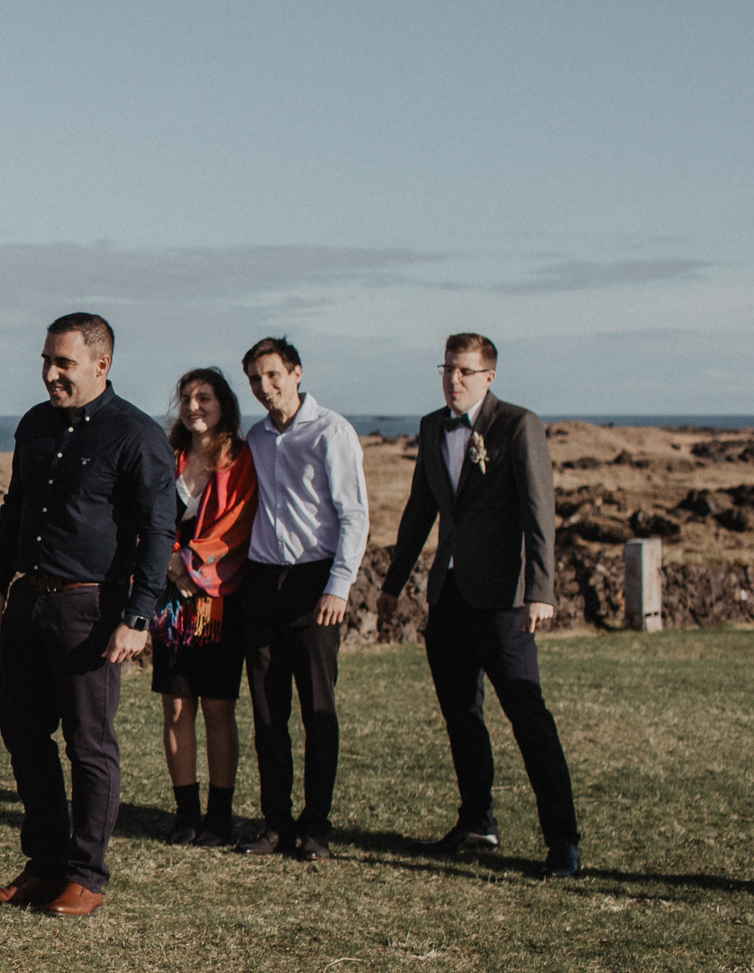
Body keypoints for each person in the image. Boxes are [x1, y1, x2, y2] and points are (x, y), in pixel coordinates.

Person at [0, 313, 175, 917]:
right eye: (45, 360)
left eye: (63, 363)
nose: (50, 373)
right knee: (24, 735)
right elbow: (15, 506)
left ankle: (86, 874)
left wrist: (138, 617)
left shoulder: (138, 436)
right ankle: (45, 865)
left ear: (101, 364)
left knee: (90, 746)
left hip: (93, 608)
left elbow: (160, 531)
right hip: (29, 601)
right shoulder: (34, 424)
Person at [378, 333, 582, 878]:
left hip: (503, 601)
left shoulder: (518, 425)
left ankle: (562, 842)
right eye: (447, 369)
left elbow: (540, 514)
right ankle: (476, 821)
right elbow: (420, 511)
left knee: (528, 716)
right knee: (461, 715)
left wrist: (540, 590)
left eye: (466, 371)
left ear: (489, 377)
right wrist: (393, 584)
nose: (454, 379)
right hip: (447, 598)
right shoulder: (430, 426)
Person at [233, 337, 368, 862]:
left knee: (317, 710)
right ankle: (275, 825)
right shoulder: (256, 438)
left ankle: (316, 829)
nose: (264, 388)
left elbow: (354, 513)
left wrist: (339, 584)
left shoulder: (331, 430)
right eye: (254, 380)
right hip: (262, 583)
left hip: (315, 584)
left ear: (296, 373)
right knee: (268, 713)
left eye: (272, 375)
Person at [152, 367, 258, 849]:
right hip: (170, 605)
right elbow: (146, 516)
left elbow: (237, 524)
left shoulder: (239, 458)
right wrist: (167, 566)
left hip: (217, 600)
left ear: (223, 405)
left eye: (205, 397)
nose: (194, 406)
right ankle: (185, 814)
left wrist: (188, 563)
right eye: (187, 398)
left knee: (217, 708)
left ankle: (219, 816)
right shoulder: (167, 457)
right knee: (176, 707)